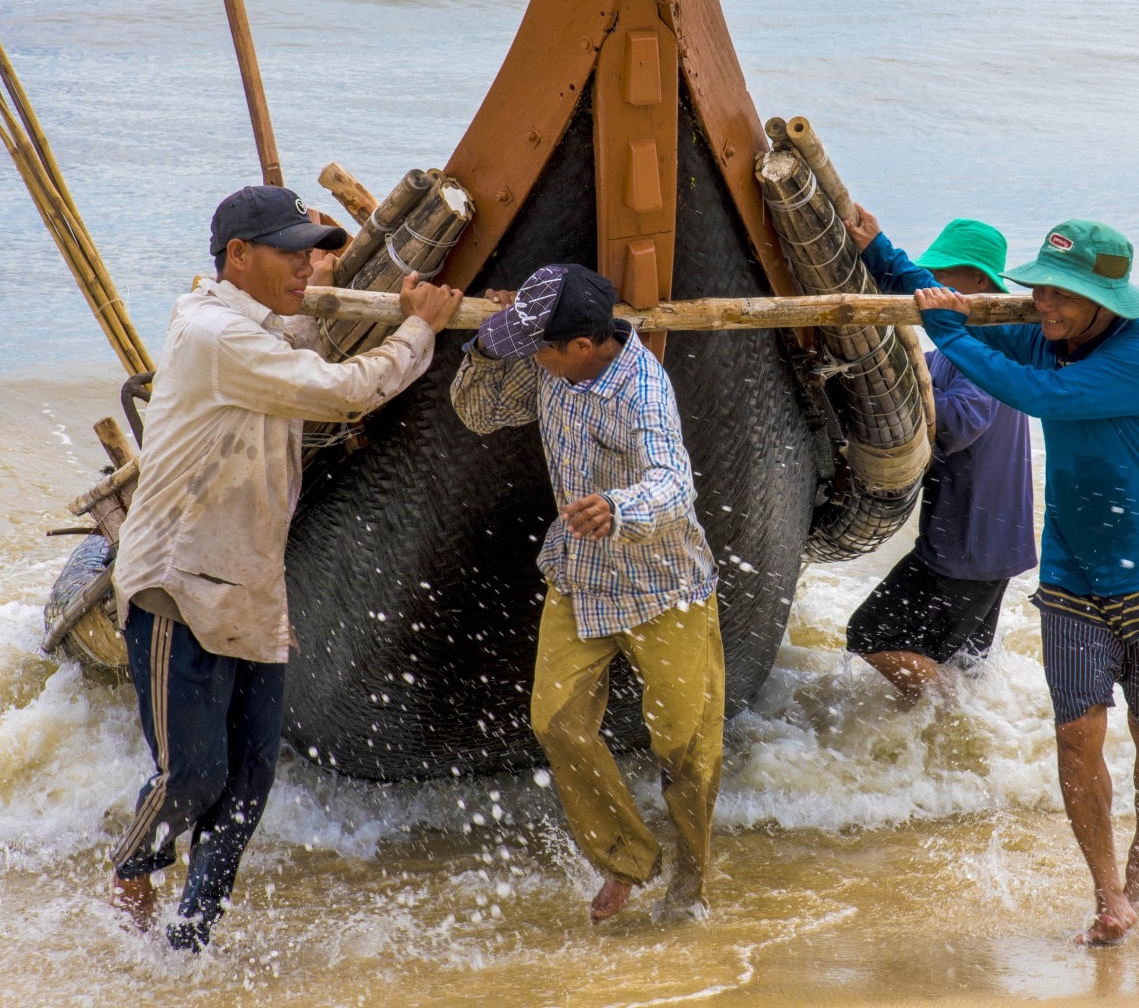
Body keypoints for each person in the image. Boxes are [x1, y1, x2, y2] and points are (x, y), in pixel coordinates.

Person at [109, 185, 461, 951]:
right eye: (290, 252)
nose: (308, 265)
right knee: (193, 778)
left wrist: (380, 306)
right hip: (183, 584)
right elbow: (342, 390)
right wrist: (417, 328)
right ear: (238, 256)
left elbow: (302, 330)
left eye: (314, 251)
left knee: (245, 791)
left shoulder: (257, 325)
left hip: (253, 586)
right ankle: (134, 865)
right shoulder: (214, 335)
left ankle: (189, 944)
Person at [913, 221, 1139, 946]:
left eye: (1061, 293)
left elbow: (1041, 395)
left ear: (1106, 301)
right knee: (1076, 737)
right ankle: (1110, 894)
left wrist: (948, 336)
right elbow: (959, 312)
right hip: (1072, 570)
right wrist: (878, 248)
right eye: (1039, 285)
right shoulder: (1049, 332)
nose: (1042, 301)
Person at [449, 263, 723, 924]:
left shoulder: (644, 391)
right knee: (557, 721)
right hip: (579, 574)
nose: (532, 360)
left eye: (535, 348)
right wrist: (491, 344)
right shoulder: (551, 363)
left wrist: (620, 509)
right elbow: (479, 411)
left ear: (581, 346)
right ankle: (627, 856)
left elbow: (675, 481)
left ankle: (688, 890)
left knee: (687, 745)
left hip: (663, 582)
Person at [842, 208, 1036, 700]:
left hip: (967, 545)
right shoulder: (958, 350)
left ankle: (951, 718)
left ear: (976, 283)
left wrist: (896, 398)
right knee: (962, 660)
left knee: (871, 634)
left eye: (942, 275)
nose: (929, 287)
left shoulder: (985, 355)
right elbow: (912, 370)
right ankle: (958, 744)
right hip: (990, 541)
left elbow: (957, 421)